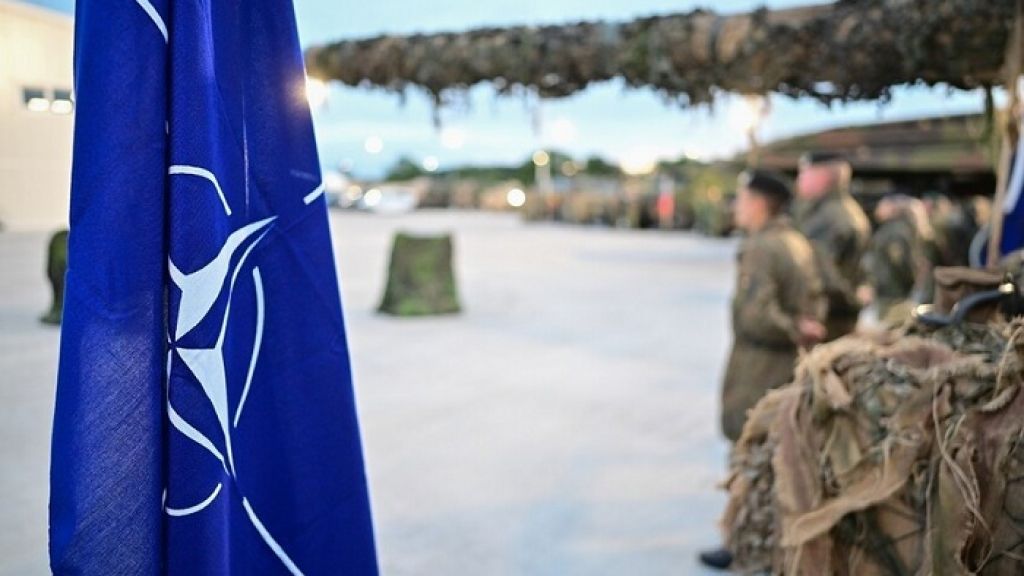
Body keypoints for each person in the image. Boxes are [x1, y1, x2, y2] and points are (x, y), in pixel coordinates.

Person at [699, 170, 827, 571]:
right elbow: (816, 300)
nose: (736, 207)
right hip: (789, 362)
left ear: (758, 204)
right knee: (778, 454)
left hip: (759, 364)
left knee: (748, 447)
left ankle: (743, 544)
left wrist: (790, 328)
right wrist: (802, 327)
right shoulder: (796, 241)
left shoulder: (761, 247)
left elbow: (755, 315)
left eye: (741, 199)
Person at [794, 152, 871, 340]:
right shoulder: (838, 211)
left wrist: (852, 303)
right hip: (835, 319)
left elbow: (822, 276)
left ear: (821, 177)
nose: (799, 179)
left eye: (804, 173)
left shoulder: (829, 218)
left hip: (825, 323)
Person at [863, 194, 934, 321]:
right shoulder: (901, 228)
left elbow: (901, 264)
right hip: (894, 293)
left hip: (892, 295)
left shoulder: (895, 231)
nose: (878, 207)